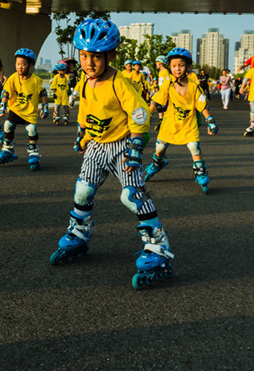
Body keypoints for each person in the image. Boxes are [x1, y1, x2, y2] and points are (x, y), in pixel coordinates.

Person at [49, 19, 175, 289]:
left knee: (131, 196)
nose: (89, 63)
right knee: (82, 191)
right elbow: (86, 112)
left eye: (96, 57)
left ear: (111, 55)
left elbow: (139, 116)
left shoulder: (120, 82)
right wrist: (83, 135)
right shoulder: (84, 81)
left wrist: (135, 149)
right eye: (84, 56)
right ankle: (79, 233)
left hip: (122, 145)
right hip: (96, 144)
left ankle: (158, 249)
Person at [144, 47, 218, 194]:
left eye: (181, 65)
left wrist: (210, 120)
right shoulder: (168, 84)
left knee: (194, 147)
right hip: (170, 123)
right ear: (170, 67)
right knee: (160, 148)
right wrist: (146, 116)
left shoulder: (194, 86)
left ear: (188, 67)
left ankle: (200, 173)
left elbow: (202, 104)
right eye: (174, 66)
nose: (177, 69)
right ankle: (157, 163)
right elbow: (155, 101)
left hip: (188, 124)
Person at [0, 48, 47, 171]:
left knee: (31, 129)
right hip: (15, 109)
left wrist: (44, 108)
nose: (20, 67)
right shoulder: (13, 78)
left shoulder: (36, 80)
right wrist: (2, 106)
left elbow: (43, 93)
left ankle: (34, 152)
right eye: (17, 64)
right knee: (8, 125)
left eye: (23, 64)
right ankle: (8, 149)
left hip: (29, 112)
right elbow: (6, 93)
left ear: (30, 65)